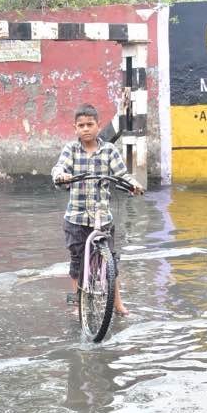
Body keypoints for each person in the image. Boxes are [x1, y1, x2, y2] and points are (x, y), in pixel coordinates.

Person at [51, 103, 142, 316]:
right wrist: (61, 176)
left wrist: (134, 185)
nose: (85, 129)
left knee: (111, 261)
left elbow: (122, 175)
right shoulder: (71, 150)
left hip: (102, 217)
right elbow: (58, 168)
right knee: (76, 262)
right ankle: (78, 305)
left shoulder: (109, 150)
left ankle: (118, 304)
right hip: (76, 218)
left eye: (90, 124)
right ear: (75, 128)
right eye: (81, 125)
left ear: (98, 126)